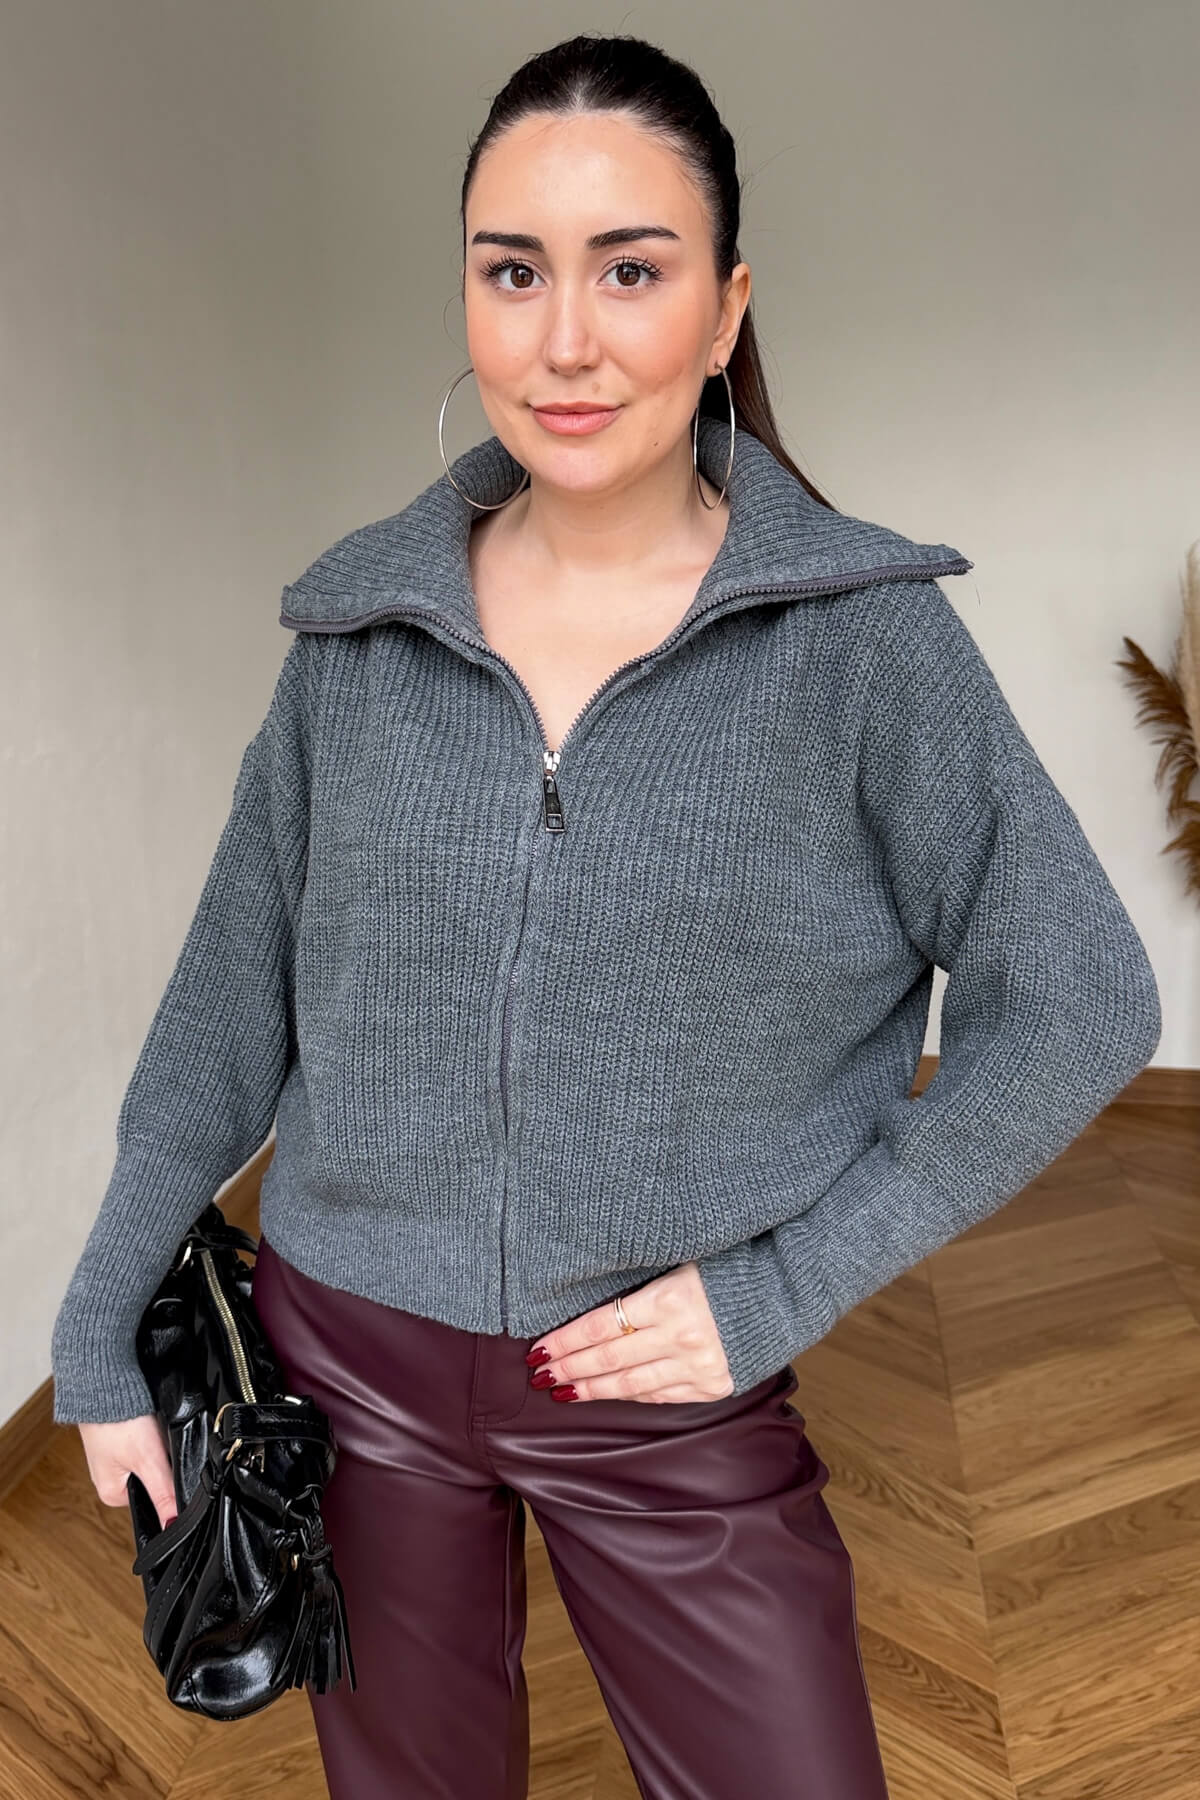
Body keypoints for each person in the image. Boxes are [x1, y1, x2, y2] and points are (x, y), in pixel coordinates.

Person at [52, 31, 1160, 1800]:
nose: (565, 338)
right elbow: (221, 1019)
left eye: (630, 270)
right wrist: (97, 1325)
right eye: (515, 272)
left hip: (664, 1393)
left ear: (726, 311)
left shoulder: (863, 643)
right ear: (469, 299)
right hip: (349, 1370)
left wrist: (784, 1286)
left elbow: (1085, 998)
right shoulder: (357, 637)